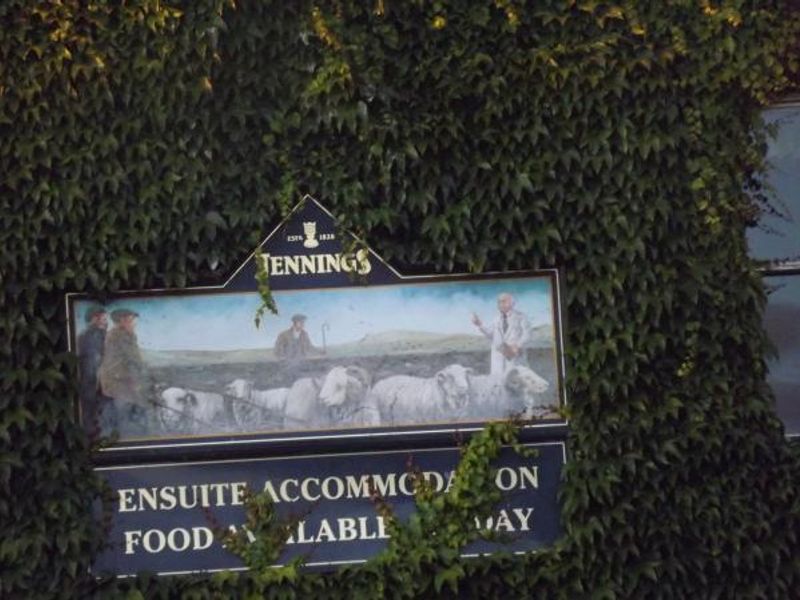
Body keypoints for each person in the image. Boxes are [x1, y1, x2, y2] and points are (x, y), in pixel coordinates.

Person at [99, 308, 150, 436]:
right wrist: (143, 374)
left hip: (115, 382)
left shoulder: (116, 334)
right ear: (122, 320)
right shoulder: (122, 335)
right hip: (119, 383)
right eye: (132, 320)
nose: (134, 323)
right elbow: (134, 359)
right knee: (129, 415)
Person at [471, 293, 532, 376]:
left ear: (512, 303)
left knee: (516, 383)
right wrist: (479, 325)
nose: (500, 304)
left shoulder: (521, 317)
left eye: (503, 301)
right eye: (499, 302)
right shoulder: (496, 318)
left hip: (515, 358)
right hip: (498, 360)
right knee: (499, 385)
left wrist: (517, 345)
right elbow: (491, 334)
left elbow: (527, 335)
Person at [77, 306, 110, 435]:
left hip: (91, 382)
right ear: (94, 318)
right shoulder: (94, 335)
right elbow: (95, 361)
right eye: (103, 318)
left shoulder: (85, 335)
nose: (106, 321)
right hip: (95, 382)